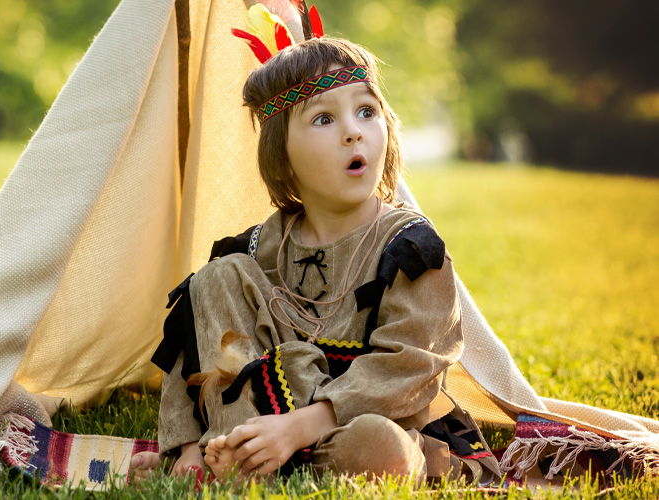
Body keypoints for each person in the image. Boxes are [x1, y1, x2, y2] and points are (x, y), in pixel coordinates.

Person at [133, 32, 503, 486]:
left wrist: (297, 428)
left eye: (366, 111)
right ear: (281, 155)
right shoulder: (263, 245)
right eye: (324, 118)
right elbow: (193, 341)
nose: (353, 131)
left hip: (367, 421)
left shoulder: (409, 248)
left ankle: (249, 459)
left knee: (380, 448)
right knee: (213, 279)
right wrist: (185, 445)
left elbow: (408, 367)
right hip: (266, 417)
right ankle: (226, 451)